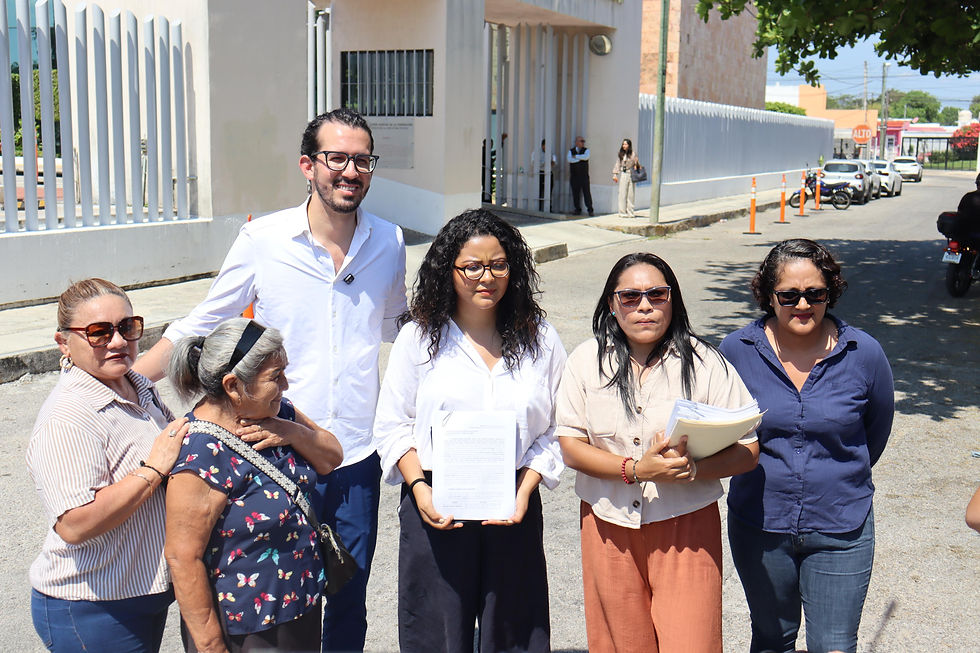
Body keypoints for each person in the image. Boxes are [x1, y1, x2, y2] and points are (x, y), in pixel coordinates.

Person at [134, 108, 407, 652]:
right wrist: (121, 385)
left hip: (354, 454)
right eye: (336, 158)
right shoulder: (264, 239)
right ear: (308, 165)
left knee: (349, 596)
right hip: (274, 455)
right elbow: (203, 322)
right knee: (277, 599)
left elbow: (399, 326)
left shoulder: (390, 241)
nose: (350, 171)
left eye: (362, 160)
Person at [373, 208, 567, 652]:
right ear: (449, 269)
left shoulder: (541, 339)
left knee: (515, 630)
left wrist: (525, 490)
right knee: (436, 633)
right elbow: (393, 423)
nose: (487, 277)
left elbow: (558, 427)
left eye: (499, 264)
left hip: (513, 501)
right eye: (473, 266)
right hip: (436, 505)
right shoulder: (419, 338)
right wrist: (420, 489)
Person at [556, 252, 760, 653]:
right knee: (621, 643)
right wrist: (635, 469)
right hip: (607, 526)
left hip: (686, 524)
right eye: (630, 296)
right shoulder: (585, 362)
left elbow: (749, 450)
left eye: (657, 294)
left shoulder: (706, 363)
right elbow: (570, 447)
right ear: (612, 305)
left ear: (674, 300)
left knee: (692, 642)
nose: (645, 305)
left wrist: (691, 470)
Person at [720, 239, 894, 653]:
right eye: (789, 295)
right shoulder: (735, 352)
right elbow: (721, 430)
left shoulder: (863, 353)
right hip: (760, 525)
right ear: (767, 294)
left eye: (815, 293)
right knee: (771, 639)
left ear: (830, 292)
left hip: (841, 525)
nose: (803, 304)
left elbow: (876, 431)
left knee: (834, 645)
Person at [26, 278, 190, 652]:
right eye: (98, 333)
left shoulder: (136, 384)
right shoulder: (68, 417)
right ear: (63, 342)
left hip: (138, 597)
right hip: (92, 607)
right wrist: (152, 469)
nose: (117, 342)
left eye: (127, 327)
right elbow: (74, 523)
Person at [165, 318, 343, 653]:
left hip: (299, 606)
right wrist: (210, 645)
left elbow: (331, 456)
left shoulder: (278, 413)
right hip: (249, 628)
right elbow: (181, 556)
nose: (286, 385)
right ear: (233, 386)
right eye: (276, 376)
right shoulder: (202, 451)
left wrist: (291, 432)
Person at [611, 138, 639, 218]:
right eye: (623, 144)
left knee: (631, 194)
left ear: (629, 145)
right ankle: (622, 212)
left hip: (631, 174)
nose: (624, 145)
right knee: (622, 193)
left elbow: (636, 163)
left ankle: (630, 212)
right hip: (623, 173)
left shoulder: (633, 154)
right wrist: (615, 174)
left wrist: (636, 165)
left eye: (626, 144)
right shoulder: (621, 154)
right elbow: (617, 164)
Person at [567, 135, 594, 216]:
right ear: (576, 142)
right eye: (581, 141)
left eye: (583, 141)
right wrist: (579, 159)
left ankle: (590, 210)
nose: (583, 143)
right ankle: (577, 209)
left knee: (587, 193)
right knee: (576, 194)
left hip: (584, 176)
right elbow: (569, 160)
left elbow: (586, 157)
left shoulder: (586, 150)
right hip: (574, 176)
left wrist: (576, 157)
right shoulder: (571, 151)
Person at [535, 138, 557, 212]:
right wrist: (544, 163)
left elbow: (554, 161)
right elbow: (534, 163)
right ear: (542, 146)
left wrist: (552, 163)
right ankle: (538, 207)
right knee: (539, 190)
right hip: (540, 172)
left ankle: (548, 208)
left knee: (549, 190)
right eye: (545, 145)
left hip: (549, 173)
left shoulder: (550, 153)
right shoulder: (537, 153)